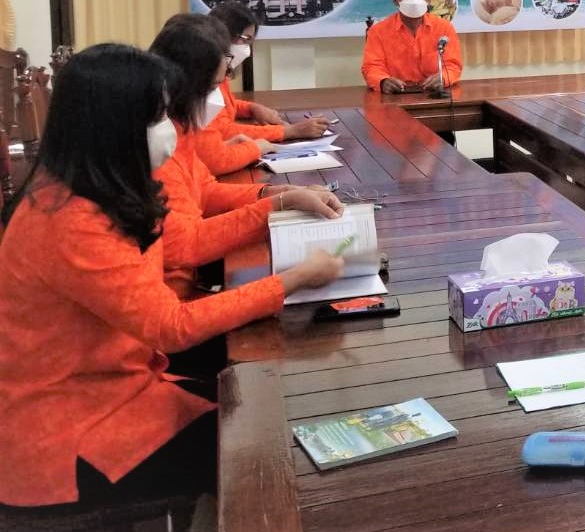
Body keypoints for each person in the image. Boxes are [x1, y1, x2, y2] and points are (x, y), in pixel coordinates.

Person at [0, 44, 343, 508]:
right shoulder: (72, 220)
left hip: (120, 386)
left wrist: (276, 204)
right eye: (158, 116)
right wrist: (293, 279)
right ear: (114, 126)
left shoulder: (97, 185)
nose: (170, 129)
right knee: (265, 450)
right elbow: (171, 326)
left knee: (264, 404)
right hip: (70, 433)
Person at [149, 14, 344, 300]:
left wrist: (279, 193)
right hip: (180, 293)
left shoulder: (180, 126)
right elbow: (186, 246)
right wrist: (277, 206)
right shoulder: (156, 145)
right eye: (212, 87)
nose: (217, 95)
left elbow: (205, 190)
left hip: (193, 279)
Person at [207, 1, 329, 144]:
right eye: (245, 39)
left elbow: (224, 106)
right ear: (224, 35)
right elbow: (224, 132)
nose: (247, 49)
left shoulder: (219, 71)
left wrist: (252, 108)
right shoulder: (204, 77)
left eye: (250, 41)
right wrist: (291, 131)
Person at [361, 0, 463, 95]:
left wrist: (444, 78)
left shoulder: (444, 28)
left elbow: (453, 66)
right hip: (394, 97)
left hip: (433, 94)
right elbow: (371, 67)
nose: (414, 1)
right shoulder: (378, 31)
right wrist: (382, 81)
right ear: (395, 0)